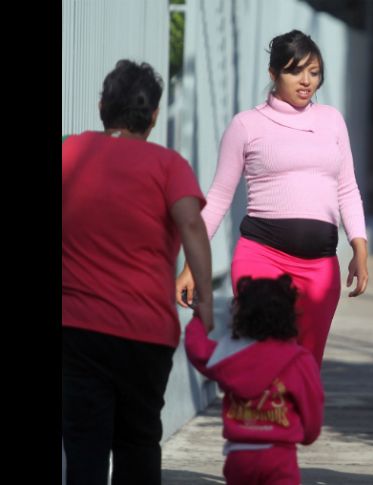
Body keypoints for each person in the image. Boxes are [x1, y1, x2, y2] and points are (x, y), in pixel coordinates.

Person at [175, 30, 369, 367]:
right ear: (273, 74)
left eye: (314, 72)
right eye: (295, 71)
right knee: (262, 359)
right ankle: (253, 420)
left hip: (320, 266)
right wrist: (192, 264)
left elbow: (347, 188)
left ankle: (300, 423)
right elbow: (219, 197)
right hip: (261, 259)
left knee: (306, 366)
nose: (307, 81)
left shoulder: (333, 121)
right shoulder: (246, 125)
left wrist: (359, 248)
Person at [62, 59, 213, 485]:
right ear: (152, 117)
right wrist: (205, 301)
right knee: (138, 442)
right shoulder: (169, 165)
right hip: (146, 335)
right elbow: (191, 225)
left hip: (76, 329)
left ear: (101, 107)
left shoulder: (68, 152)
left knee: (84, 444)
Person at [185, 274, 323, 485]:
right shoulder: (298, 360)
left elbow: (197, 349)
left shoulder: (229, 353)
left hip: (239, 457)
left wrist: (199, 318)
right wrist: (308, 434)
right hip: (280, 456)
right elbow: (312, 404)